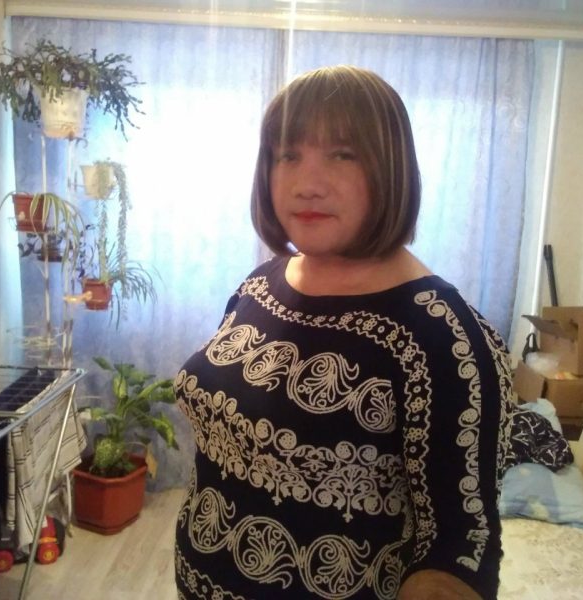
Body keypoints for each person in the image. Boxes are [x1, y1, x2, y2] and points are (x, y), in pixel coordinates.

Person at [174, 65, 514, 600]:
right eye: (288, 155)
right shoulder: (260, 283)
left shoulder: (446, 338)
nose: (307, 184)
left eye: (342, 154)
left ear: (390, 169)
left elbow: (461, 550)